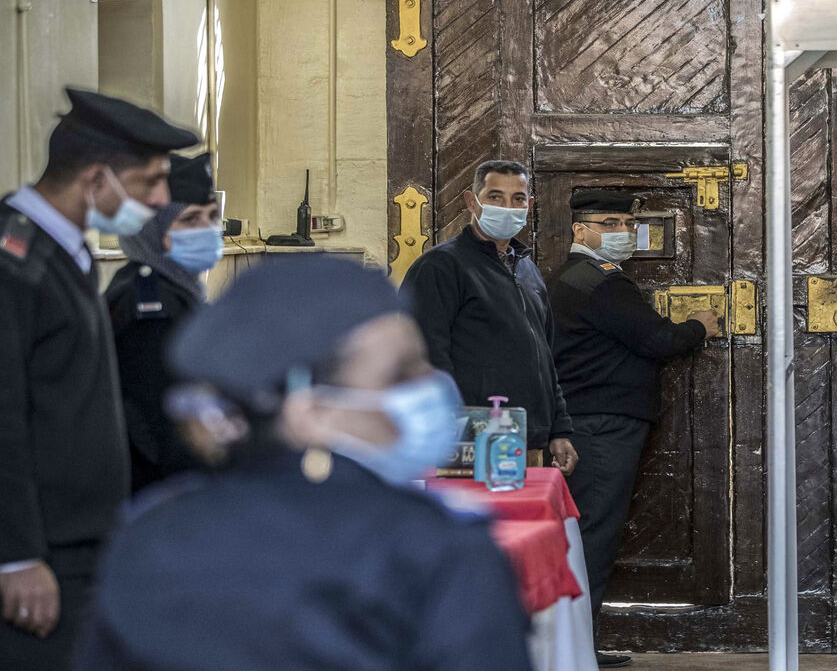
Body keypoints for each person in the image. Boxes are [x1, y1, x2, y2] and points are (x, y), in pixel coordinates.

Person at [73, 256, 534, 670]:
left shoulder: (151, 529)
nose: (432, 384)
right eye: (401, 373)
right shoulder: (437, 548)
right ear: (310, 412)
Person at [0, 88, 198, 670]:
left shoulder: (63, 251)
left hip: (82, 543)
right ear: (95, 179)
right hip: (40, 554)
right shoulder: (15, 263)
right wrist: (14, 558)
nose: (161, 198)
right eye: (148, 183)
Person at [547, 189, 718, 669]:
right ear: (580, 230)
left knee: (586, 531)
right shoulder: (601, 282)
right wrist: (699, 325)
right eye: (610, 222)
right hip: (600, 424)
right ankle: (576, 648)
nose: (622, 232)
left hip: (586, 419)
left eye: (627, 224)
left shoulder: (570, 278)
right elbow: (657, 339)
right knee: (593, 534)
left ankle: (576, 642)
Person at [400, 159, 578, 474]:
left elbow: (544, 357)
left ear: (530, 205)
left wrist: (558, 428)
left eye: (518, 199)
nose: (507, 207)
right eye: (495, 197)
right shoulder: (441, 267)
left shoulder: (527, 269)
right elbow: (422, 359)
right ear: (472, 201)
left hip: (529, 439)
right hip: (471, 442)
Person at [105, 153, 223, 494]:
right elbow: (158, 422)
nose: (207, 230)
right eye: (189, 220)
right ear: (152, 232)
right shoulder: (149, 304)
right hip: (157, 489)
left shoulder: (174, 291)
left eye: (213, 217)